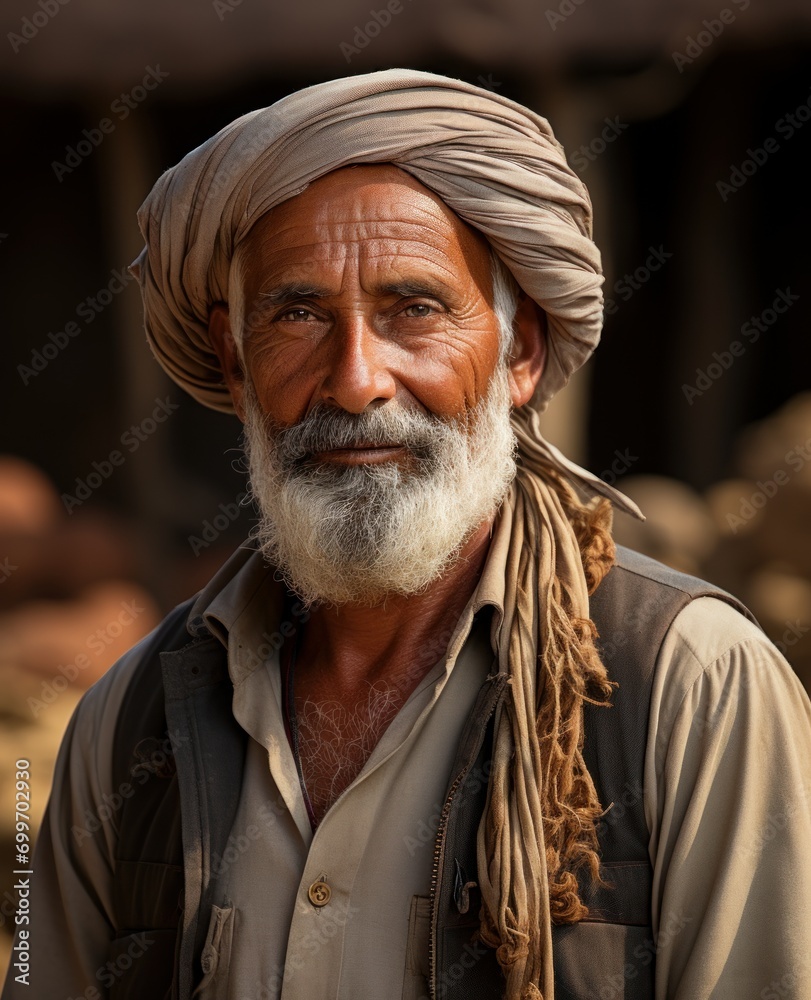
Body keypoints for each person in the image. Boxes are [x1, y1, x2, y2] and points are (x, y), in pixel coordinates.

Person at [3, 69, 810, 1000]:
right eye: (298, 314)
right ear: (233, 362)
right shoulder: (126, 722)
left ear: (521, 353)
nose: (355, 380)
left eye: (413, 310)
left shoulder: (690, 687)